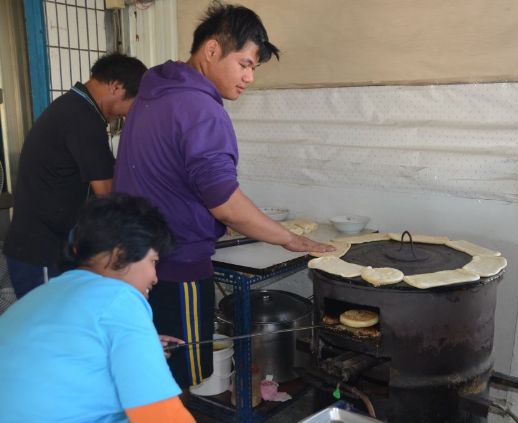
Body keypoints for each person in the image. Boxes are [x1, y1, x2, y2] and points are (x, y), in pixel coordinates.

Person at [113, 2, 335, 388]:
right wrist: (290, 238)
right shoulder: (200, 108)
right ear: (212, 50)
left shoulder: (153, 95)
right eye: (245, 64)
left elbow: (167, 179)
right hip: (174, 266)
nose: (249, 77)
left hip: (130, 263)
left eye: (254, 69)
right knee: (173, 379)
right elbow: (227, 204)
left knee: (142, 371)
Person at [0, 193, 195, 423]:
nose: (155, 277)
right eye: (153, 261)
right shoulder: (121, 299)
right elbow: (162, 417)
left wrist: (140, 346)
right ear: (119, 255)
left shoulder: (48, 292)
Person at [3, 52, 147, 298]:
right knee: (49, 328)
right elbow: (107, 191)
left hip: (44, 247)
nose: (127, 114)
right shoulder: (83, 118)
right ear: (116, 86)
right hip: (41, 253)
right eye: (132, 103)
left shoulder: (72, 108)